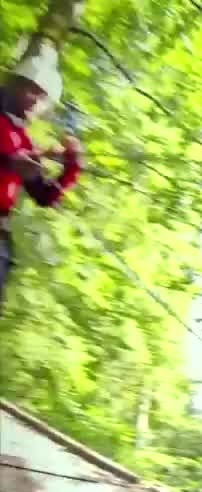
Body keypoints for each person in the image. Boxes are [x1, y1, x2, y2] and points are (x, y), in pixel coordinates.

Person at [1, 43, 82, 315]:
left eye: (42, 95)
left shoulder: (22, 139)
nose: (36, 99)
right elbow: (10, 159)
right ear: (15, 85)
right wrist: (10, 162)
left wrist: (71, 166)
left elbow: (44, 196)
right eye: (32, 89)